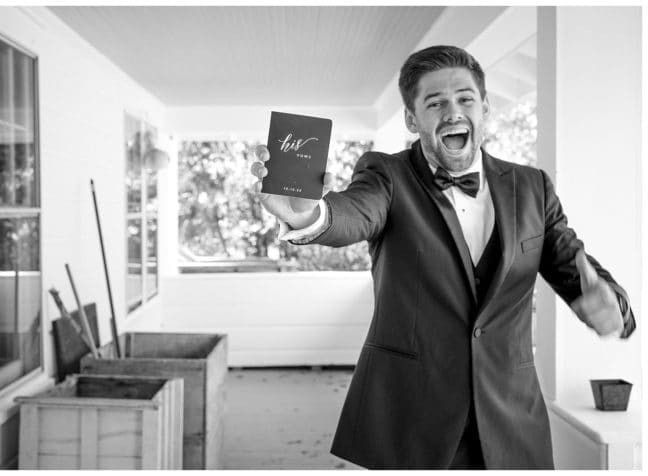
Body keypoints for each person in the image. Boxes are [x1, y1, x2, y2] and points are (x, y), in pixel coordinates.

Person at [249, 45, 636, 469]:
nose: (453, 112)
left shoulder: (532, 187)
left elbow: (573, 265)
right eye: (435, 103)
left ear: (485, 107)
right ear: (413, 120)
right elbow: (355, 214)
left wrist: (611, 307)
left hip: (511, 420)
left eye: (465, 99)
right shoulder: (386, 175)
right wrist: (310, 214)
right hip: (413, 418)